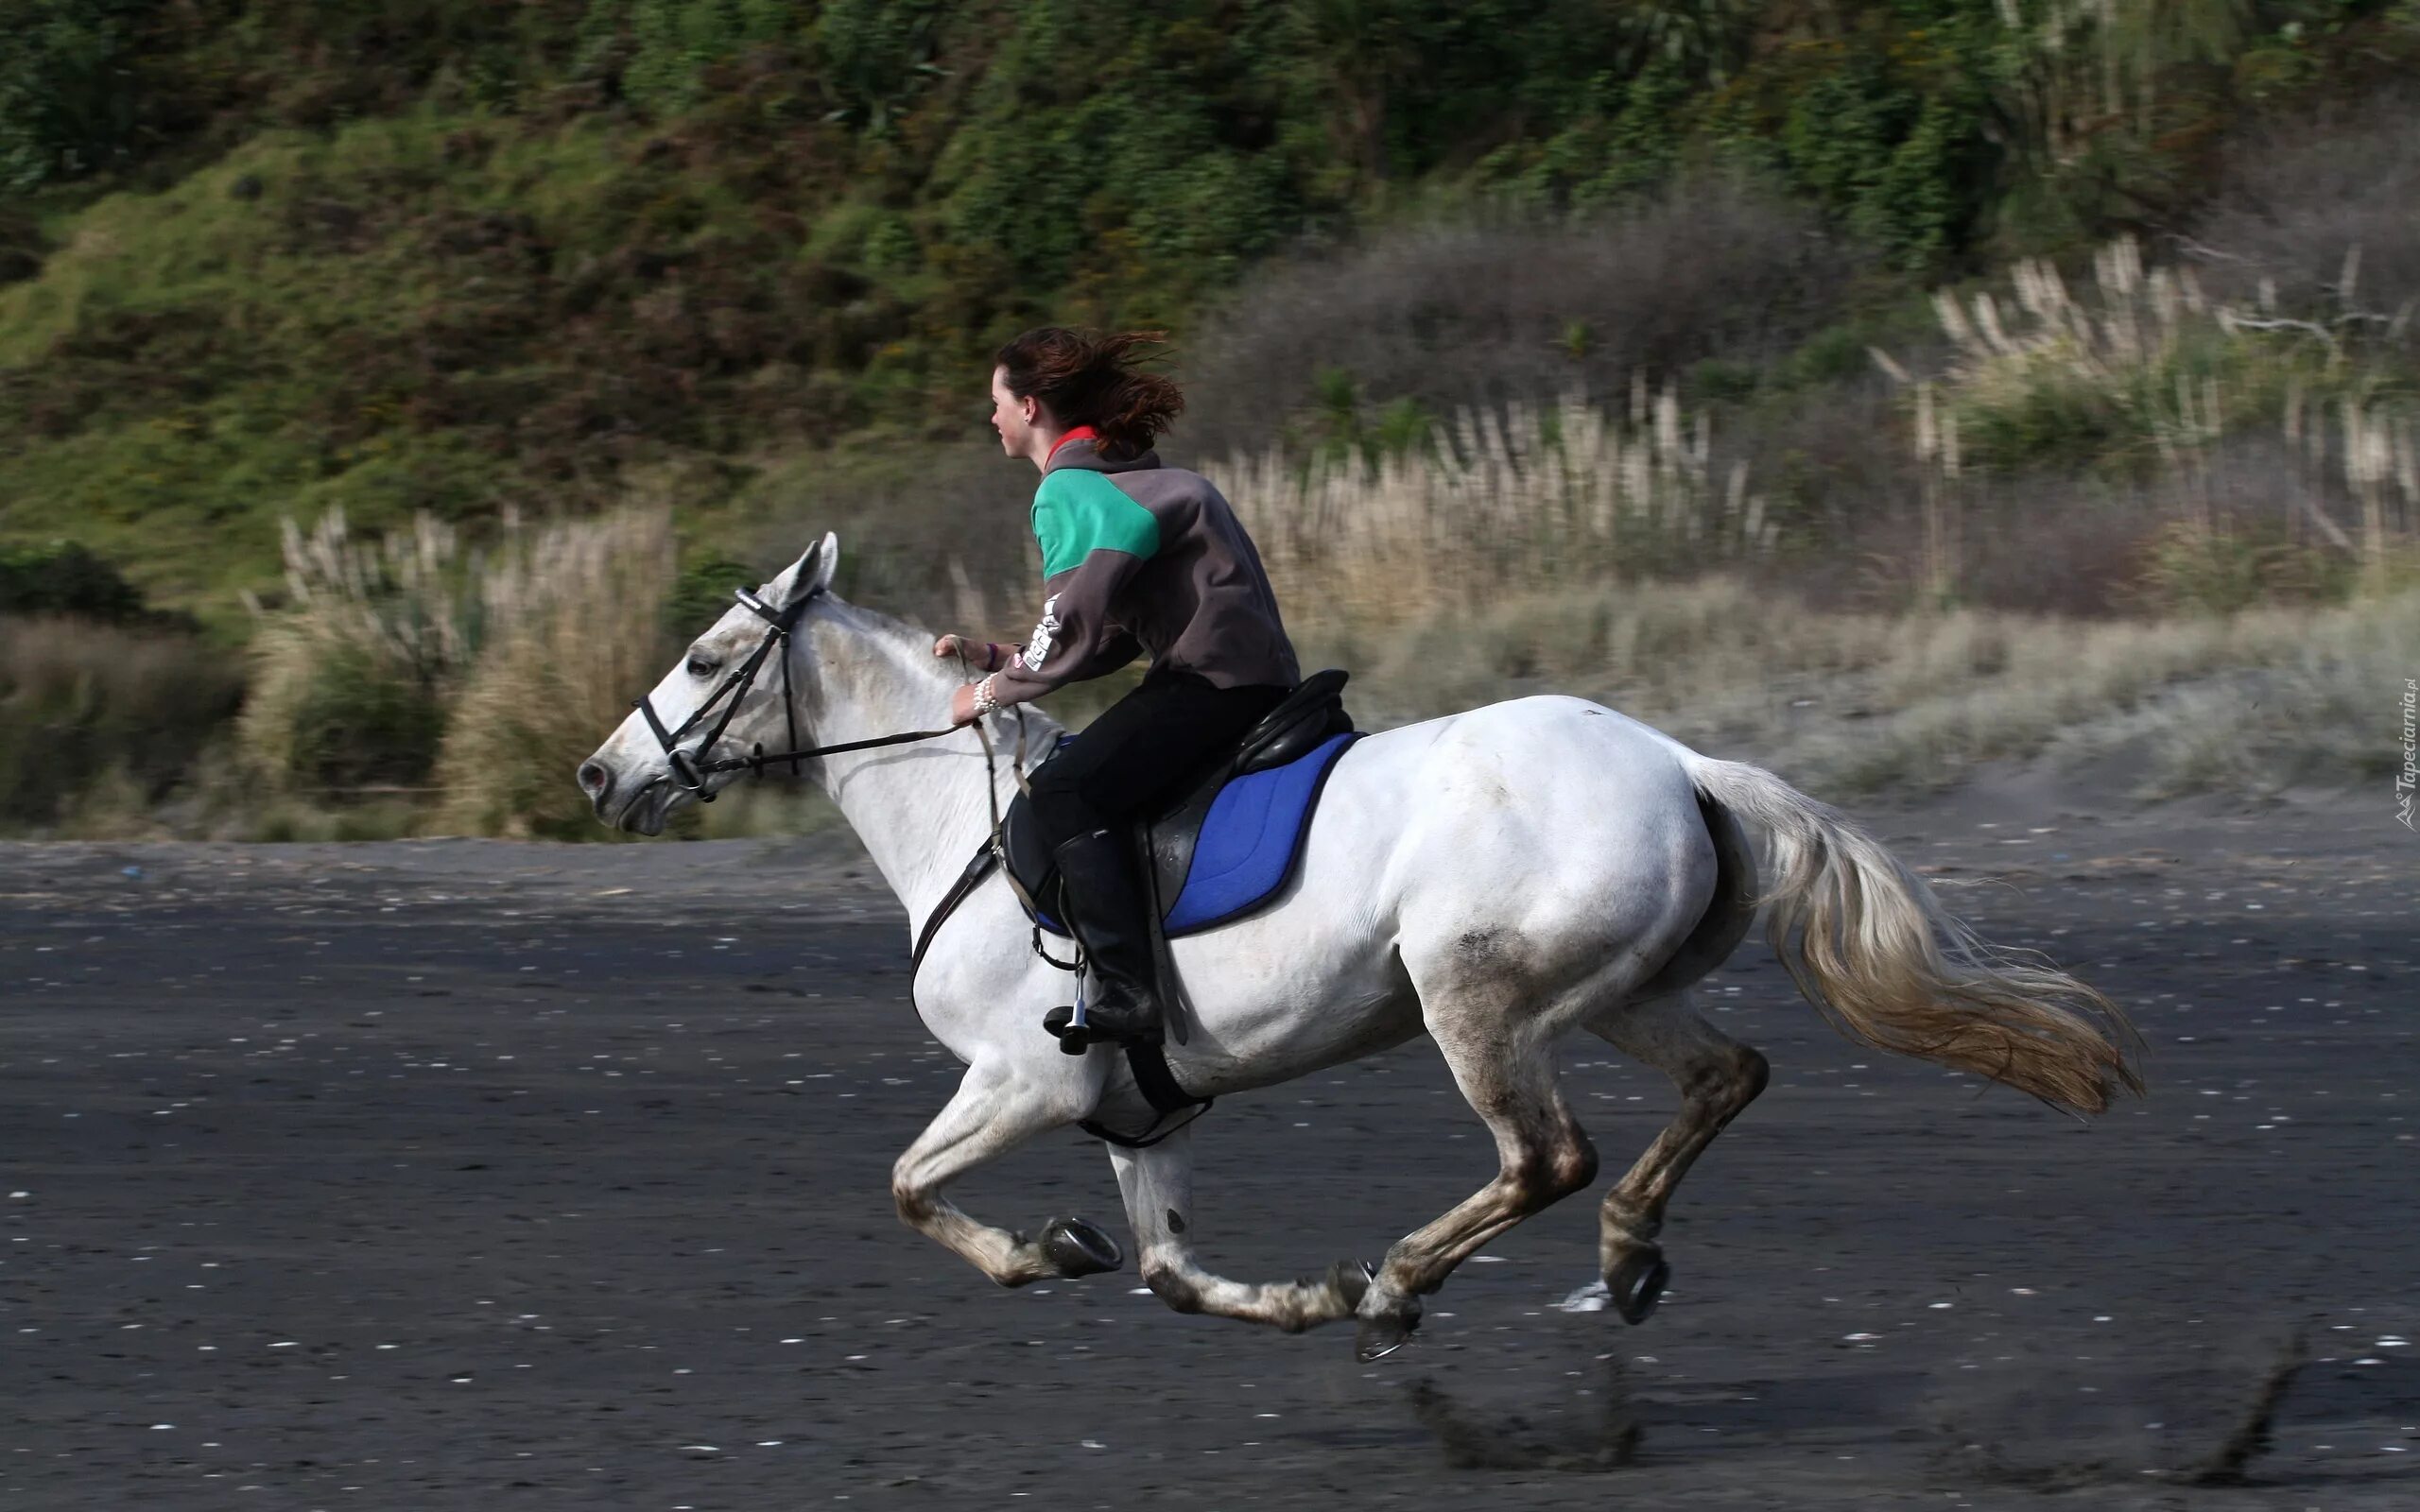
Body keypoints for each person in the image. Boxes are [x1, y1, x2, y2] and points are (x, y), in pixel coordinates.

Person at [934, 328, 1301, 1048]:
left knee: (1066, 793)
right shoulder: (1131, 479)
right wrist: (996, 654)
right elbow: (1101, 639)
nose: (992, 418)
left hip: (1211, 684)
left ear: (1031, 407)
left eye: (997, 403)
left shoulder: (1068, 489)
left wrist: (985, 695)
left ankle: (1131, 993)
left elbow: (1068, 626)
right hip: (1248, 678)